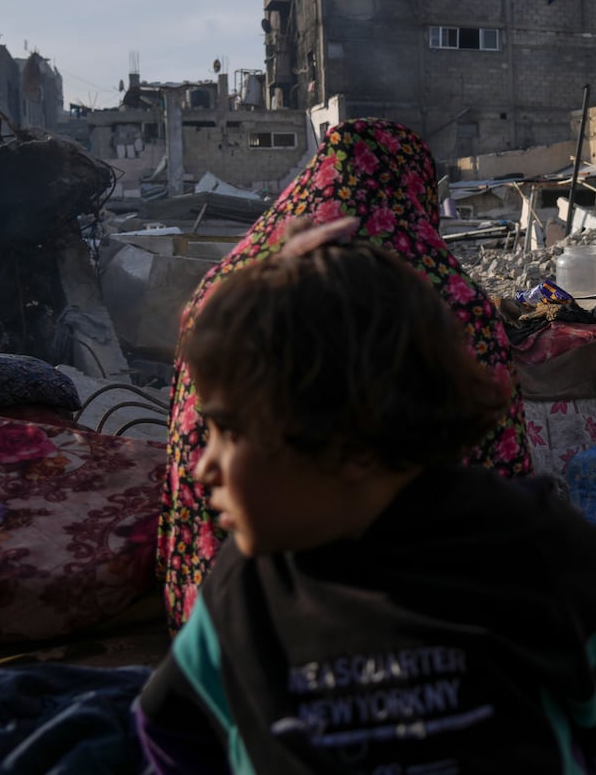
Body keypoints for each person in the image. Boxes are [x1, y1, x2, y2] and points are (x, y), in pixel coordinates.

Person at [135, 229, 596, 773]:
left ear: (346, 429)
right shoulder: (241, 593)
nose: (200, 465)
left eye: (227, 430)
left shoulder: (527, 548)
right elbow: (175, 733)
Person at [158, 119, 532, 633]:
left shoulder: (229, 288)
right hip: (435, 592)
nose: (205, 465)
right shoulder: (448, 298)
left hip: (236, 572)